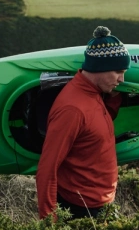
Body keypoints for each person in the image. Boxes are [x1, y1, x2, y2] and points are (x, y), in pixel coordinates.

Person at [36, 26, 131, 220]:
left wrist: (113, 100)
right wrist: (48, 223)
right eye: (119, 72)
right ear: (100, 68)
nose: (122, 79)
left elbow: (93, 129)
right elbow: (47, 167)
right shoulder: (72, 109)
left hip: (101, 203)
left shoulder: (94, 93)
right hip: (81, 210)